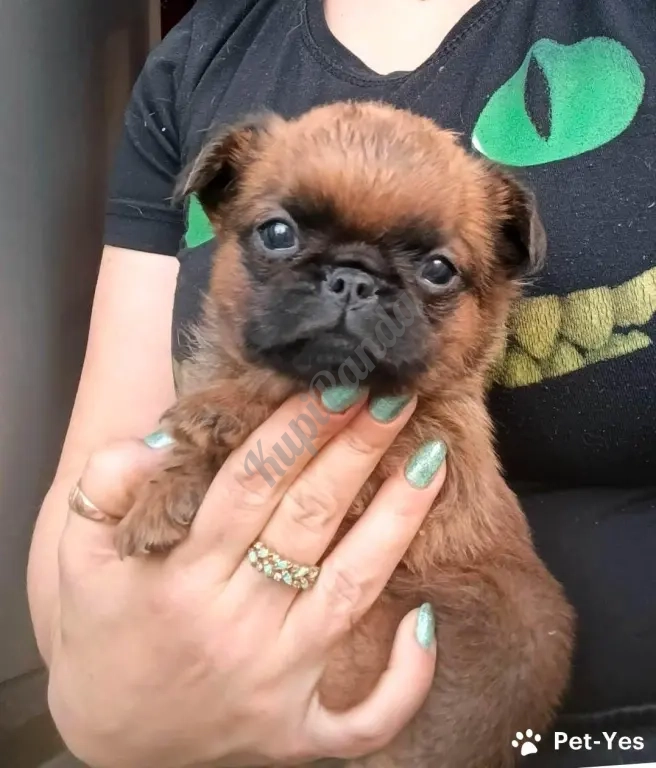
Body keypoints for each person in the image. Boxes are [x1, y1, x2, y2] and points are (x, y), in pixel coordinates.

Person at [27, 1, 655, 766]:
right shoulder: (199, 57)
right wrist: (101, 703)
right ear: (219, 210)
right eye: (281, 237)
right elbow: (91, 503)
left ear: (502, 280)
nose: (352, 289)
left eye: (434, 270)